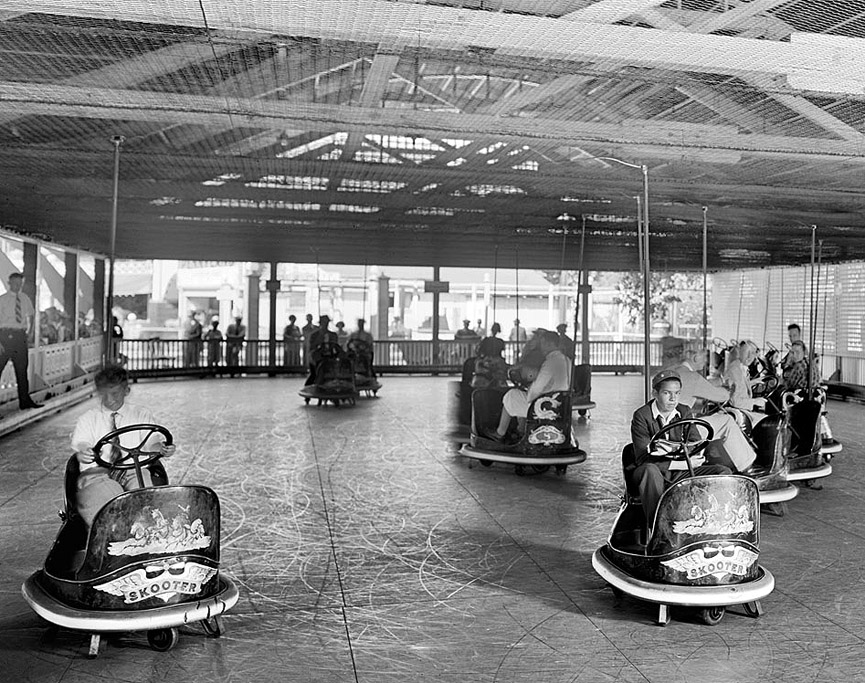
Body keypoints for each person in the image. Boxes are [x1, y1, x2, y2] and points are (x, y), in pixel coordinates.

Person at [70, 365, 176, 527]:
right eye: (104, 395)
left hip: (133, 469)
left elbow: (152, 441)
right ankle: (119, 531)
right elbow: (82, 444)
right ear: (98, 392)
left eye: (115, 394)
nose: (110, 399)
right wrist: (84, 451)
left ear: (126, 390)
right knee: (112, 499)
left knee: (143, 495)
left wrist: (161, 448)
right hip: (97, 472)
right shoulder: (88, 419)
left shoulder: (141, 414)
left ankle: (147, 529)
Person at [629, 370, 731, 525]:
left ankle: (714, 524)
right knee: (649, 470)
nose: (673, 398)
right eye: (666, 393)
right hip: (654, 472)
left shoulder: (684, 411)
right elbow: (643, 458)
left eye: (677, 393)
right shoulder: (642, 416)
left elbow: (694, 442)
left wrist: (671, 449)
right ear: (654, 393)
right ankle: (658, 527)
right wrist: (680, 461)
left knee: (722, 472)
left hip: (679, 471)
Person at [668, 348, 758, 472]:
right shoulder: (693, 377)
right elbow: (722, 397)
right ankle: (747, 466)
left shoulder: (674, 371)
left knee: (712, 419)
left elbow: (704, 384)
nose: (706, 363)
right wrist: (728, 389)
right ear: (695, 358)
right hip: (683, 434)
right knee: (726, 421)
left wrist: (720, 381)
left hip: (666, 431)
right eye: (705, 358)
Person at [486, 330, 568, 442]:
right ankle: (522, 432)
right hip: (560, 404)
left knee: (512, 395)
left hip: (546, 406)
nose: (542, 347)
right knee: (522, 396)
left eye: (543, 343)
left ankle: (500, 434)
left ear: (550, 344)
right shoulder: (566, 360)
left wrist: (529, 396)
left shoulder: (550, 362)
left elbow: (537, 388)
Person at [0, 272, 42, 409]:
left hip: (20, 336)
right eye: (15, 283)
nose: (18, 286)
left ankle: (25, 401)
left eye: (20, 284)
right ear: (9, 283)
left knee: (22, 370)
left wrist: (29, 333)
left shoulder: (25, 299)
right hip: (5, 336)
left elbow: (31, 315)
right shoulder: (2, 300)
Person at [722, 341, 766, 415]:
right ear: (748, 358)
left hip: (740, 410)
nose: (755, 360)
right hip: (737, 412)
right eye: (754, 357)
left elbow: (739, 386)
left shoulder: (739, 366)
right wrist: (755, 401)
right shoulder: (735, 371)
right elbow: (735, 401)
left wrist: (753, 382)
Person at [473, 322, 508, 390]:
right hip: (497, 360)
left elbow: (479, 351)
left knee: (478, 365)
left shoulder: (485, 340)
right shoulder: (500, 341)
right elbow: (500, 353)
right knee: (502, 369)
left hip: (486, 359)